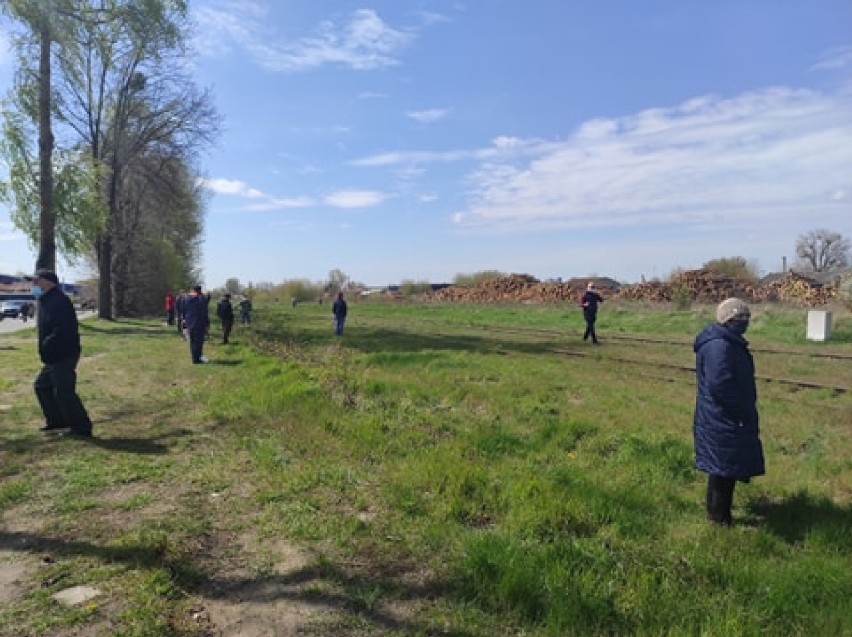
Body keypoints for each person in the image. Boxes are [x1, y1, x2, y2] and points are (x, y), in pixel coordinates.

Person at [693, 298, 765, 526]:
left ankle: (719, 515)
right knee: (723, 469)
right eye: (741, 319)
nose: (745, 323)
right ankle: (719, 518)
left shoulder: (726, 342)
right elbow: (720, 384)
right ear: (729, 320)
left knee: (724, 467)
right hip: (723, 417)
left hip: (723, 417)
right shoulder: (720, 346)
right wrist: (741, 409)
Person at [29, 269, 93, 438]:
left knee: (64, 392)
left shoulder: (59, 301)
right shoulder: (44, 300)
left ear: (49, 282)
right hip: (52, 356)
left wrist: (48, 343)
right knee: (42, 386)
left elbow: (64, 329)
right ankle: (57, 421)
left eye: (37, 281)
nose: (34, 285)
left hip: (63, 353)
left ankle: (81, 427)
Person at [182, 285, 210, 364]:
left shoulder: (186, 298)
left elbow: (183, 310)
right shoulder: (201, 299)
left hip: (189, 322)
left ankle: (194, 358)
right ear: (199, 291)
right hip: (199, 322)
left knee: (192, 341)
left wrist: (185, 320)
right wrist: (207, 323)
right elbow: (204, 310)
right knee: (199, 342)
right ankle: (197, 359)